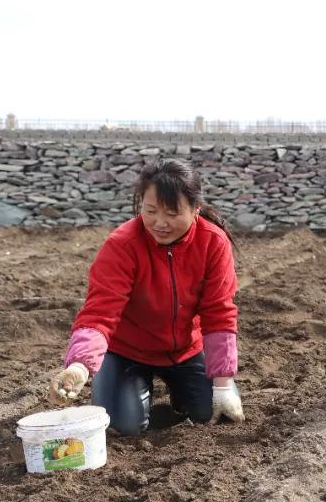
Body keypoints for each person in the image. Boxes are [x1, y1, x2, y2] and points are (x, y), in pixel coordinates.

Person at [46, 159, 245, 434]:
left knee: (209, 414)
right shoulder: (122, 245)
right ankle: (128, 387)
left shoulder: (212, 242)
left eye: (172, 214)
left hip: (185, 350)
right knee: (124, 427)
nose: (159, 223)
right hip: (127, 351)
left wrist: (222, 386)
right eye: (150, 211)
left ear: (196, 210)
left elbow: (219, 312)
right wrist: (80, 367)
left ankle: (182, 394)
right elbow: (100, 312)